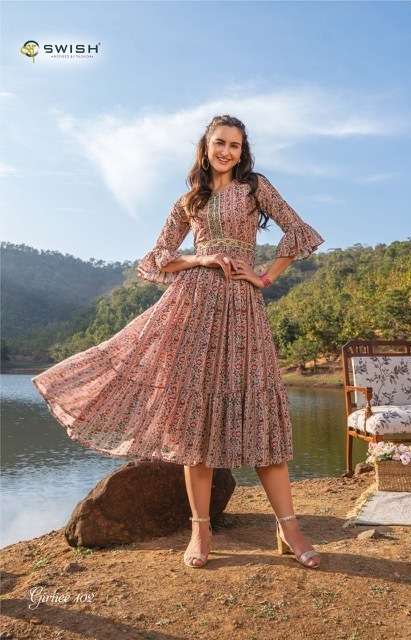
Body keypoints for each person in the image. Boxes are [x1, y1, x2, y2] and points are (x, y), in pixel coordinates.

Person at [32, 114, 325, 570]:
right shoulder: (191, 199)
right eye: (219, 143)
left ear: (242, 152)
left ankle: (290, 529)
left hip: (243, 310)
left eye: (234, 145)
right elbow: (157, 259)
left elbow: (299, 232)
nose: (226, 151)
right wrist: (199, 259)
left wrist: (265, 276)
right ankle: (200, 530)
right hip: (192, 311)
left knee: (261, 416)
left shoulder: (255, 187)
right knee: (194, 425)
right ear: (205, 147)